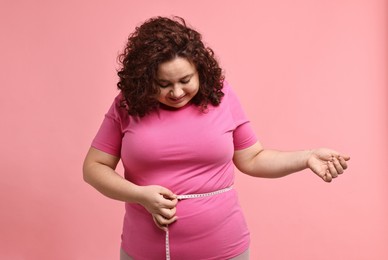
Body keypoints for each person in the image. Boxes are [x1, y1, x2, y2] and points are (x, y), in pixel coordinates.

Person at [83, 16, 350, 260]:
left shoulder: (220, 96)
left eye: (185, 80)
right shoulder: (127, 105)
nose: (176, 92)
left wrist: (306, 157)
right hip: (144, 252)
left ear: (200, 70)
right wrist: (140, 195)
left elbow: (253, 158)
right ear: (144, 79)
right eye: (163, 84)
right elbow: (93, 168)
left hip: (225, 251)